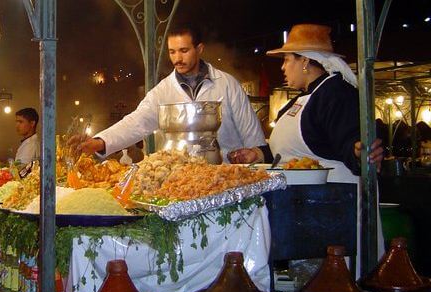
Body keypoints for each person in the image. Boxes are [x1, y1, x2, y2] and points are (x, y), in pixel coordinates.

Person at [74, 24, 270, 163]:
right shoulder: (164, 91)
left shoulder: (228, 86)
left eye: (184, 50)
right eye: (172, 51)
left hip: (224, 179)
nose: (177, 58)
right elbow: (136, 122)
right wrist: (100, 142)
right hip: (179, 182)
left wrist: (254, 154)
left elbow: (255, 140)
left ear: (199, 49)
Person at [229, 24, 383, 181]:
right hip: (302, 196)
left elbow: (349, 139)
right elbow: (290, 150)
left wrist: (359, 152)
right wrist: (258, 153)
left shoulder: (335, 92)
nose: (282, 67)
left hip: (333, 196)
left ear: (304, 61)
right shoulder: (303, 98)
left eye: (287, 60)